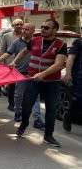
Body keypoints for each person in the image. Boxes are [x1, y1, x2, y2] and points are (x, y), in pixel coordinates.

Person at [14, 19, 67, 147]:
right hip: (33, 80)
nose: (43, 29)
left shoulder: (61, 45)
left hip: (52, 82)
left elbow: (59, 64)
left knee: (51, 109)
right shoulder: (35, 40)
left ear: (55, 30)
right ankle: (24, 124)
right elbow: (24, 51)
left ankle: (48, 136)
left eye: (47, 28)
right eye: (42, 26)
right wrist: (14, 62)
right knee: (26, 105)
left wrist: (42, 75)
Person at [0, 23, 43, 126]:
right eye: (24, 29)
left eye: (27, 29)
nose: (24, 31)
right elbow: (8, 53)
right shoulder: (17, 42)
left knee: (35, 97)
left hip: (34, 74)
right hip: (20, 73)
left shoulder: (38, 42)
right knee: (18, 96)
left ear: (33, 31)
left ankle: (37, 119)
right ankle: (18, 113)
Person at [0, 19, 24, 111]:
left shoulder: (25, 36)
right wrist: (2, 63)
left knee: (21, 85)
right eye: (17, 24)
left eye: (21, 24)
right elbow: (3, 50)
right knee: (12, 85)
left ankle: (19, 103)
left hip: (22, 63)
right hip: (10, 63)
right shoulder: (6, 36)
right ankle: (11, 104)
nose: (19, 26)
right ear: (13, 26)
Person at [62, 37, 82, 132]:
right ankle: (68, 118)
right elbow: (70, 58)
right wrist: (68, 73)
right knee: (77, 101)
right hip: (79, 78)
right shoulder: (78, 42)